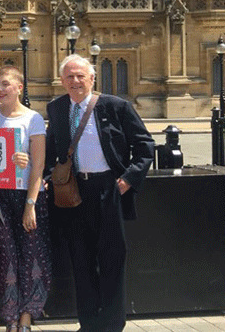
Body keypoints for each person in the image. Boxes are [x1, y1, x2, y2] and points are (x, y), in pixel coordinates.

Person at [45, 54, 154, 332]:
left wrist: (127, 180)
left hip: (108, 190)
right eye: (69, 76)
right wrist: (48, 177)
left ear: (92, 78)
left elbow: (145, 146)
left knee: (112, 258)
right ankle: (90, 323)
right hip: (72, 192)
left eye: (81, 75)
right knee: (81, 260)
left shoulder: (115, 106)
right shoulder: (56, 108)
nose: (75, 81)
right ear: (62, 81)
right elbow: (50, 150)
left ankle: (112, 323)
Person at [0, 67, 51, 332]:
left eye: (6, 84)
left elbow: (39, 164)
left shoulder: (33, 119)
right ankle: (10, 316)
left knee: (32, 255)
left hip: (27, 194)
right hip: (0, 194)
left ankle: (26, 317)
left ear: (19, 88)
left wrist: (30, 205)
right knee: (5, 255)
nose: (0, 89)